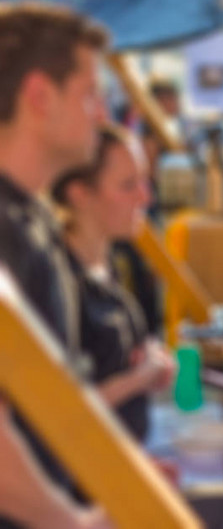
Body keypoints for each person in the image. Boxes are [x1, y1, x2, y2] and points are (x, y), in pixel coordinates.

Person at [0, 2, 112, 528]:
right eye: (90, 95)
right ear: (40, 96)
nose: (103, 115)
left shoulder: (33, 215)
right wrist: (71, 521)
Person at [51, 126, 175, 442]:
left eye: (145, 181)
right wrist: (138, 379)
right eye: (128, 185)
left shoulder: (110, 261)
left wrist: (148, 358)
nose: (146, 196)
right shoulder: (57, 281)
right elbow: (56, 412)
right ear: (80, 194)